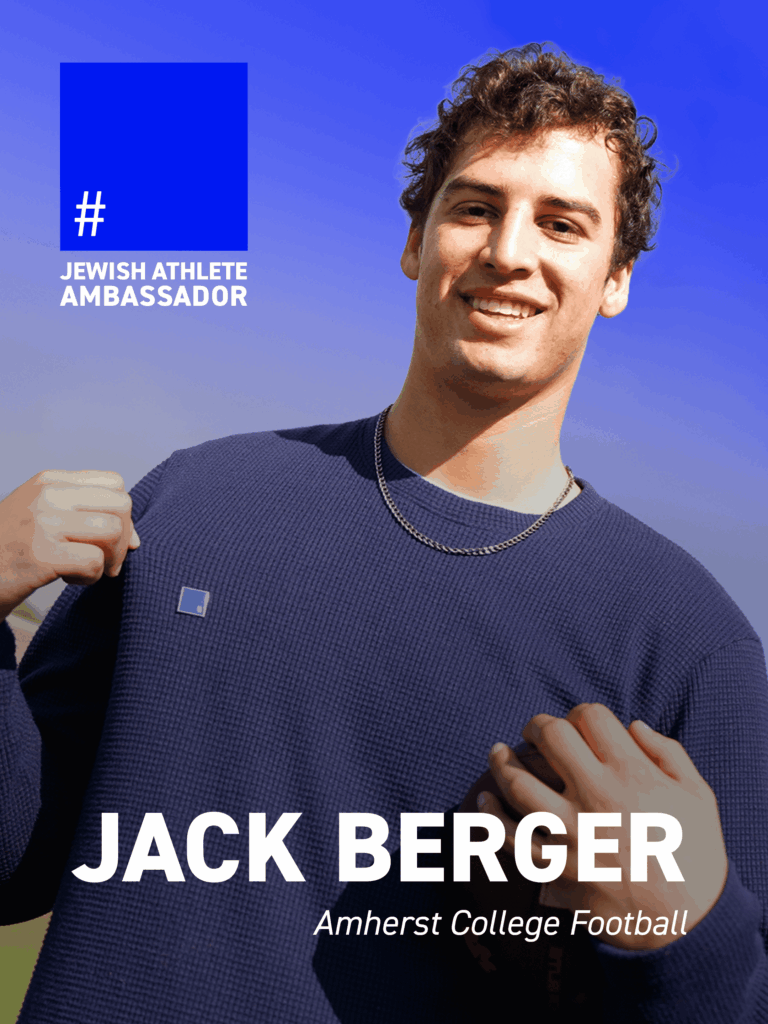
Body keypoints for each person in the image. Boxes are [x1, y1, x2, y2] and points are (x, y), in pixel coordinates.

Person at [1, 43, 766, 1023]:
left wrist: (686, 931)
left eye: (562, 223)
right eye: (475, 207)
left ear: (615, 277)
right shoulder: (194, 501)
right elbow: (14, 868)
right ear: (417, 241)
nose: (508, 251)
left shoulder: (685, 643)